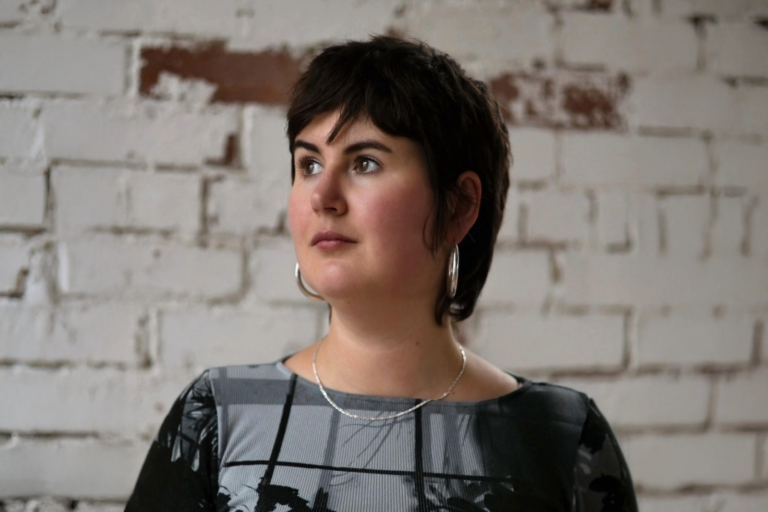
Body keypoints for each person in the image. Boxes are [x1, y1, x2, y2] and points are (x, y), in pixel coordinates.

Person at [125, 36, 638, 512]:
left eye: (365, 162)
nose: (322, 196)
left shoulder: (561, 438)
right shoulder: (216, 417)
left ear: (459, 205)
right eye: (308, 165)